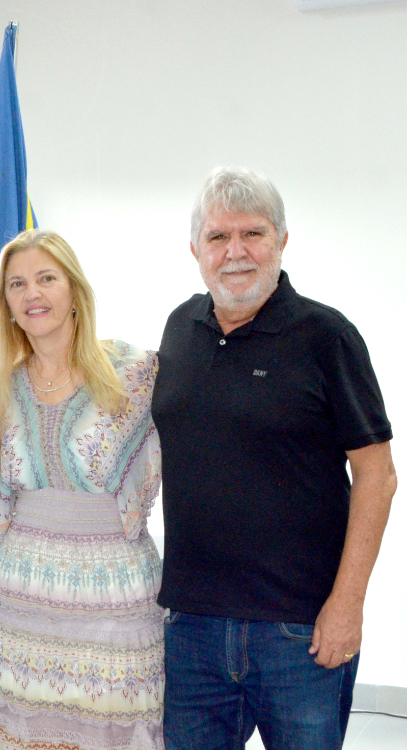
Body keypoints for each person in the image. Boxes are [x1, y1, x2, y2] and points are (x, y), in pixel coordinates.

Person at [152, 167, 397, 749]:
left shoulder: (326, 336)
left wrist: (348, 605)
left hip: (301, 631)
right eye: (217, 237)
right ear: (195, 250)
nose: (235, 252)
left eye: (253, 234)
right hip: (192, 630)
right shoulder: (179, 328)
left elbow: (377, 477)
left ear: (282, 241)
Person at [0, 228, 164, 750]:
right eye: (17, 284)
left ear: (74, 290)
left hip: (114, 595)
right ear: (6, 303)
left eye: (46, 278)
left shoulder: (136, 370)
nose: (32, 293)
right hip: (23, 597)